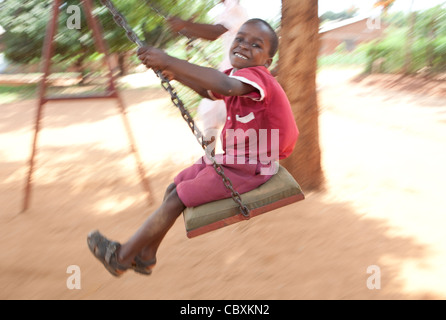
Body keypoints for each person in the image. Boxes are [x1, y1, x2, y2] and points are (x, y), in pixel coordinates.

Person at [87, 19, 299, 277]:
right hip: (232, 160)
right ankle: (146, 255)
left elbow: (224, 86)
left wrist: (169, 61)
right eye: (240, 39)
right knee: (174, 188)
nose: (244, 46)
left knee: (178, 199)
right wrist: (178, 76)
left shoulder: (258, 78)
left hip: (251, 168)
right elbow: (210, 91)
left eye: (256, 45)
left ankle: (121, 257)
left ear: (267, 62)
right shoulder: (238, 77)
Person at [167, 0, 248, 152]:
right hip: (230, 68)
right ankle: (211, 159)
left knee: (232, 115)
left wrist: (185, 24)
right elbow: (211, 33)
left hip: (238, 70)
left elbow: (215, 32)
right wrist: (185, 29)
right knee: (209, 110)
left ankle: (228, 160)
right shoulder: (226, 11)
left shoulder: (237, 9)